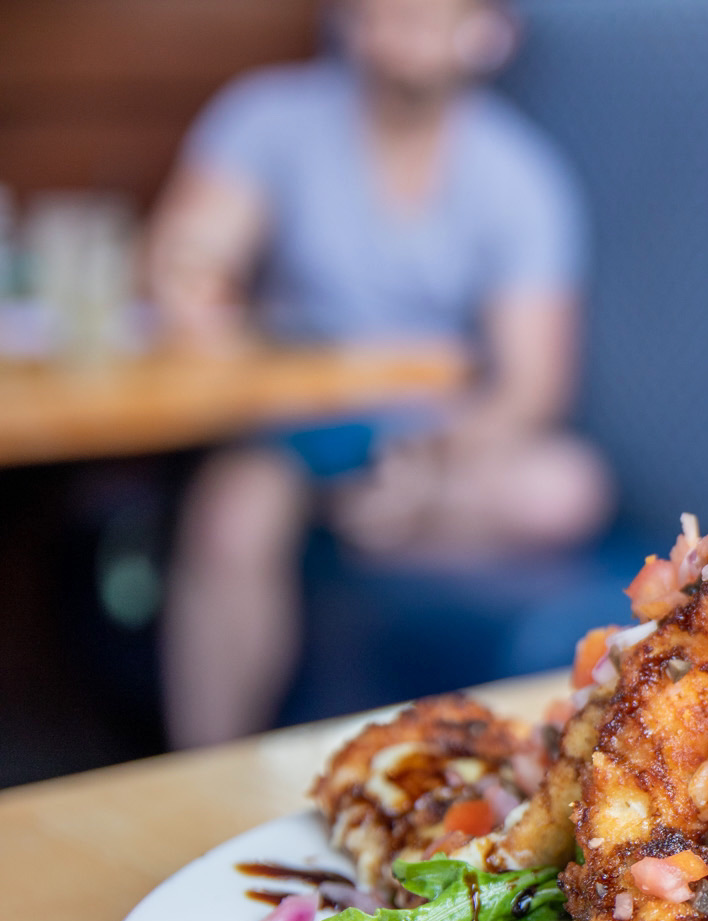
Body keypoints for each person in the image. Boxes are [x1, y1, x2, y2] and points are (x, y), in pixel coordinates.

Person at [151, 0, 613, 749]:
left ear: (492, 33)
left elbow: (534, 382)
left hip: (430, 435)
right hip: (287, 425)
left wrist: (433, 467)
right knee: (229, 520)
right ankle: (201, 769)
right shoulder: (269, 116)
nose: (401, 29)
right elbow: (189, 253)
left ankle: (391, 518)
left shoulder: (518, 174)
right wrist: (192, 284)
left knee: (565, 489)